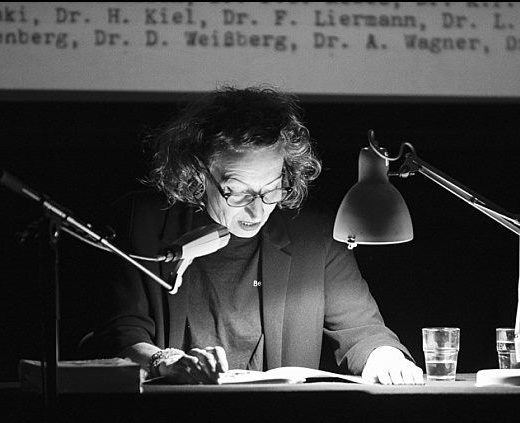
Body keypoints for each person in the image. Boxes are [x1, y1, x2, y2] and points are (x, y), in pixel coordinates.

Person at [81, 85, 423, 385]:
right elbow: (119, 334)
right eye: (239, 192)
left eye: (272, 189)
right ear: (199, 173)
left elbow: (362, 331)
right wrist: (165, 362)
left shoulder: (313, 236)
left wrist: (385, 358)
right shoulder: (142, 224)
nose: (257, 210)